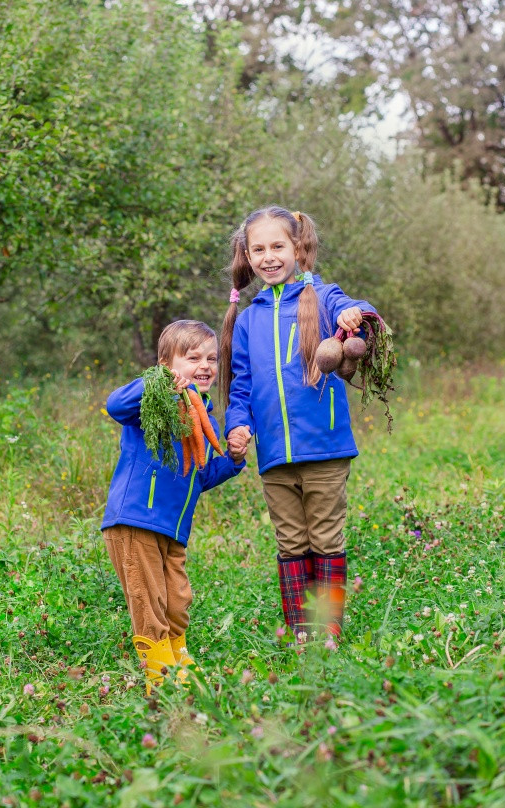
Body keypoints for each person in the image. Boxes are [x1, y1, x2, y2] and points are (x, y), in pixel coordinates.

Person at [221, 206, 377, 641]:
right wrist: (237, 424)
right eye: (259, 249)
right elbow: (241, 386)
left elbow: (360, 309)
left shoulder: (323, 298)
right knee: (290, 543)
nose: (269, 256)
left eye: (278, 246)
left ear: (298, 249)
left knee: (325, 537)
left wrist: (354, 316)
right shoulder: (249, 318)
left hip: (325, 449)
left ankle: (328, 628)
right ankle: (301, 631)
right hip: (274, 454)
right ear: (247, 256)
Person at [102, 319, 247, 692]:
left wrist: (231, 459)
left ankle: (178, 655)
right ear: (168, 365)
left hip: (173, 528)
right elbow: (115, 404)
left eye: (212, 359)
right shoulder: (151, 400)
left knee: (178, 600)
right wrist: (159, 384)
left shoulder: (203, 413)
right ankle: (160, 676)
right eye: (193, 357)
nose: (205, 366)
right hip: (136, 520)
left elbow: (200, 475)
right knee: (147, 600)